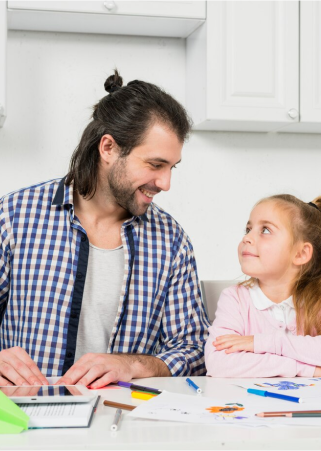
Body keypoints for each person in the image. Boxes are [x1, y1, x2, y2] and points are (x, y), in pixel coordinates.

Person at [0, 70, 210, 388]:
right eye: (155, 165)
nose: (166, 183)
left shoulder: (172, 241)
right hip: (25, 422)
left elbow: (195, 351)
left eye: (171, 167)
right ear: (108, 148)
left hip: (125, 423)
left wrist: (132, 365)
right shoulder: (14, 217)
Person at [205, 194, 321, 377]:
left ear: (300, 253)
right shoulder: (235, 299)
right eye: (248, 229)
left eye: (265, 230)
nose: (247, 238)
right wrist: (304, 369)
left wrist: (264, 343)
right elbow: (217, 362)